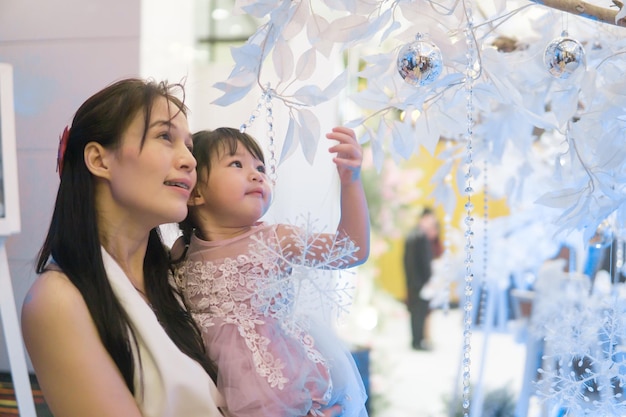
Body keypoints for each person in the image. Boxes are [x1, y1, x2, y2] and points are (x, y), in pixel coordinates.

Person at [21, 78, 226, 417]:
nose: (190, 160)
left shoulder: (180, 279)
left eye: (189, 146)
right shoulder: (58, 300)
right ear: (99, 160)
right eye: (165, 137)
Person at [171, 126, 370, 417]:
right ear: (195, 192)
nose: (257, 175)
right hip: (215, 385)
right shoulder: (180, 252)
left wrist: (351, 181)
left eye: (260, 167)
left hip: (283, 380)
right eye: (236, 164)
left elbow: (350, 249)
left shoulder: (276, 239)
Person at [403, 207, 442, 351]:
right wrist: (428, 278)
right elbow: (423, 262)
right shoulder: (420, 237)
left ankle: (418, 340)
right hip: (420, 282)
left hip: (414, 281)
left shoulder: (414, 235)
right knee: (418, 312)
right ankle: (418, 341)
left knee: (418, 313)